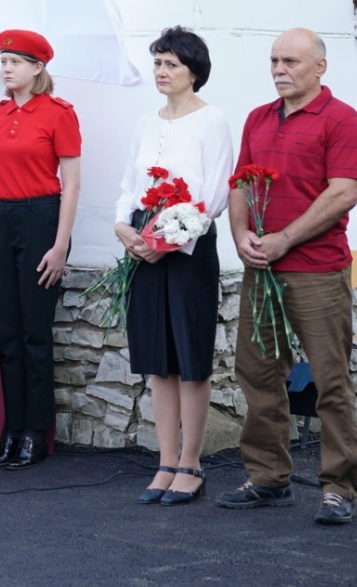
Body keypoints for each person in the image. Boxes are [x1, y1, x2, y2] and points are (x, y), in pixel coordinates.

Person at [218, 28, 357, 525]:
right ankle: (268, 477)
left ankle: (339, 488)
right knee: (258, 375)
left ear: (320, 67)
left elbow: (343, 193)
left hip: (318, 271)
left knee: (330, 381)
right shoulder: (258, 118)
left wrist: (284, 238)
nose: (279, 69)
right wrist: (241, 235)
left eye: (291, 61)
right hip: (262, 271)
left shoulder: (342, 119)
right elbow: (239, 184)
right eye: (274, 61)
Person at [113, 27, 232, 506]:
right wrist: (124, 228)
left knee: (189, 357)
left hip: (188, 250)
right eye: (158, 63)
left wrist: (166, 242)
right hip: (144, 246)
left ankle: (191, 464)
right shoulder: (146, 123)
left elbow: (214, 196)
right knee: (158, 359)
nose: (161, 72)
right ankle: (165, 462)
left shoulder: (212, 120)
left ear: (193, 72)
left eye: (171, 64)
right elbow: (129, 185)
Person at [0, 30, 80, 470]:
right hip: (3, 218)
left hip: (42, 219)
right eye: (3, 61)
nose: (6, 68)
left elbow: (71, 184)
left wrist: (60, 246)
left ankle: (36, 432)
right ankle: (11, 427)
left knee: (34, 332)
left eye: (15, 62)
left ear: (38, 68)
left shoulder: (59, 114)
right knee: (7, 333)